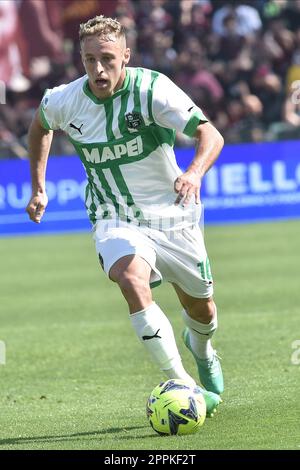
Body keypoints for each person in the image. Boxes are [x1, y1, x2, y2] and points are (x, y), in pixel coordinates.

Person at [26, 15, 224, 417]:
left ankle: (202, 349)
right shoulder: (65, 99)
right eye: (89, 60)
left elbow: (210, 133)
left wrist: (193, 172)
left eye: (107, 59)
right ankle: (184, 385)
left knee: (202, 310)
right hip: (113, 214)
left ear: (126, 56)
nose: (98, 70)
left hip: (173, 216)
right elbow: (40, 126)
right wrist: (39, 187)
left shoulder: (153, 89)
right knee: (130, 279)